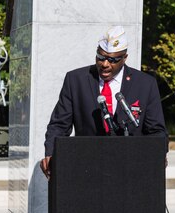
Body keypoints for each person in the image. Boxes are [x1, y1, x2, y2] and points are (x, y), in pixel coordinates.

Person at [41, 26, 168, 180]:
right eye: (100, 57)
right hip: (87, 169)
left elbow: (157, 131)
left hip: (130, 171)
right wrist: (51, 152)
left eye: (113, 59)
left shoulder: (145, 84)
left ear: (125, 58)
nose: (105, 64)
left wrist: (158, 153)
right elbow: (59, 125)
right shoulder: (76, 80)